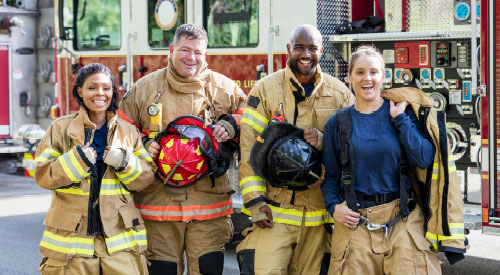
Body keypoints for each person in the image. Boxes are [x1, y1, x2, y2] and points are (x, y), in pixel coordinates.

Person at [321, 45, 466, 275]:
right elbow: (329, 176)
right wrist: (333, 207)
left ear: (384, 75)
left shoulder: (404, 114)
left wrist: (400, 120)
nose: (367, 78)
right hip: (355, 223)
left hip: (403, 218)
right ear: (349, 77)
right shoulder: (337, 124)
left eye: (373, 72)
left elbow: (424, 159)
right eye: (359, 72)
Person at [120, 24, 247, 275]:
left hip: (208, 207)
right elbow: (121, 131)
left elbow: (253, 119)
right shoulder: (144, 89)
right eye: (185, 50)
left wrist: (233, 124)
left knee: (208, 270)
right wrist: (144, 145)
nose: (191, 57)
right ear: (171, 49)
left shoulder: (225, 89)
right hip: (158, 206)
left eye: (198, 52)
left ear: (206, 55)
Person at [236, 24, 355, 275]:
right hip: (274, 213)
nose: (306, 54)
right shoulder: (265, 90)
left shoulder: (340, 94)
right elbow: (249, 150)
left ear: (321, 50)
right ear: (289, 49)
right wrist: (255, 202)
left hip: (318, 215)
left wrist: (324, 141)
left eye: (312, 48)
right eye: (299, 47)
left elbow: (354, 147)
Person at [35, 63, 155, 274]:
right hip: (71, 243)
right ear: (80, 91)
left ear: (112, 92)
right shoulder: (60, 129)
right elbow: (43, 175)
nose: (100, 93)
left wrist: (124, 161)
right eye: (92, 87)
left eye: (106, 88)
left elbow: (146, 178)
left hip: (120, 242)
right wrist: (76, 161)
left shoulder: (129, 132)